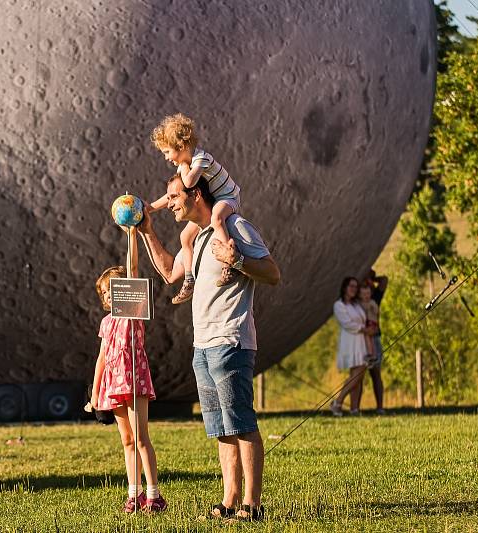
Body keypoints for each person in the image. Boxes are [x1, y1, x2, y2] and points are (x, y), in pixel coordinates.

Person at [137, 175, 280, 522]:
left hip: (231, 341)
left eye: (174, 196)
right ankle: (229, 502)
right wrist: (146, 230)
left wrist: (238, 262)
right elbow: (171, 272)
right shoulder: (199, 239)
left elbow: (272, 273)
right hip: (203, 345)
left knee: (242, 422)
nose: (169, 202)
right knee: (220, 427)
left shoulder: (235, 227)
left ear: (196, 194)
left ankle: (252, 505)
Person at [90, 261, 167, 513]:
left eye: (112, 288)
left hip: (134, 378)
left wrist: (132, 234)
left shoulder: (133, 312)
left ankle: (154, 495)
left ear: (125, 289)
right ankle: (135, 494)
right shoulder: (106, 323)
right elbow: (102, 358)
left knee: (141, 437)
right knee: (127, 440)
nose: (109, 295)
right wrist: (94, 394)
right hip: (114, 382)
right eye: (104, 292)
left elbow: (133, 270)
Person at [148, 113, 243, 304]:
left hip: (228, 197)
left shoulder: (201, 159)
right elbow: (173, 195)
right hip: (215, 199)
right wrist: (149, 208)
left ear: (181, 147)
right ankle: (189, 279)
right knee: (185, 237)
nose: (167, 158)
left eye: (167, 152)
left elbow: (189, 182)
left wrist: (183, 167)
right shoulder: (186, 166)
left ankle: (228, 265)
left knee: (217, 219)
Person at [330, 278, 376, 416]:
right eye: (351, 286)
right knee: (357, 374)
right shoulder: (339, 305)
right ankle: (338, 402)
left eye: (355, 286)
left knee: (358, 376)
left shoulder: (356, 305)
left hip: (361, 341)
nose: (353, 289)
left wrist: (369, 330)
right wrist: (364, 329)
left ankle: (354, 408)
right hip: (350, 341)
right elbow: (347, 323)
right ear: (345, 287)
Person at [363, 269, 387, 413]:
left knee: (375, 373)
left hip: (374, 337)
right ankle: (355, 408)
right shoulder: (358, 296)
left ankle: (380, 407)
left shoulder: (375, 297)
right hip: (360, 339)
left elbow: (384, 279)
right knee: (357, 375)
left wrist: (372, 278)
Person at [358, 283, 379, 366]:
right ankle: (371, 354)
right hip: (366, 323)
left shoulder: (371, 302)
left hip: (371, 323)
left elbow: (376, 311)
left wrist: (373, 307)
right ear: (360, 295)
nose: (366, 296)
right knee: (368, 339)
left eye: (368, 294)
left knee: (368, 336)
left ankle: (371, 354)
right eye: (364, 294)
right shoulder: (360, 303)